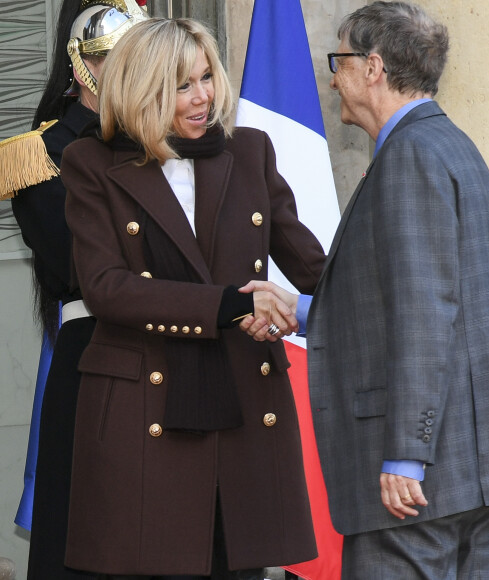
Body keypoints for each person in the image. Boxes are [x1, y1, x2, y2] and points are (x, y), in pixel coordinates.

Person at [239, 2, 489, 579]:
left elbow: (426, 313)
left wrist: (407, 453)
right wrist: (302, 310)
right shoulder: (450, 146)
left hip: (419, 484)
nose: (334, 75)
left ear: (373, 67)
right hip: (468, 473)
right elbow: (408, 298)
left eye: (341, 59)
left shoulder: (409, 157)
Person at [60, 17, 324, 579]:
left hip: (244, 404)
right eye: (182, 85)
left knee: (239, 567)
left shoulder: (250, 151)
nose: (203, 96)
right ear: (143, 88)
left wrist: (361, 293)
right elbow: (106, 288)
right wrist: (232, 305)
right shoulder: (92, 164)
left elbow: (311, 265)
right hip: (145, 411)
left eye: (207, 77)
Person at [3, 1, 148, 578]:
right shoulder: (40, 157)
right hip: (95, 358)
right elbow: (85, 268)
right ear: (82, 64)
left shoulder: (164, 145)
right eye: (115, 57)